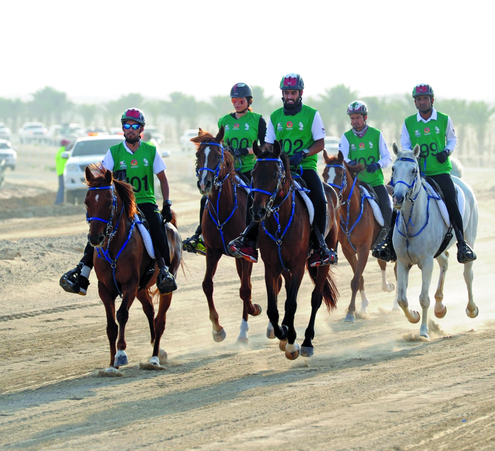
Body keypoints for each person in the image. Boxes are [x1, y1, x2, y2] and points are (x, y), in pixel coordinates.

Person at [60, 108, 177, 296]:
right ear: (123, 128)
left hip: (145, 202)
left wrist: (167, 204)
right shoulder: (114, 152)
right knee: (98, 230)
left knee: (157, 229)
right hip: (122, 204)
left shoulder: (151, 151)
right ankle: (82, 274)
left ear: (141, 129)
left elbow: (163, 179)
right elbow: (101, 179)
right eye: (127, 126)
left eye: (134, 126)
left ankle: (164, 272)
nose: (130, 129)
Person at [228, 73, 338, 267]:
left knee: (320, 200)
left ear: (300, 93)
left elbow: (320, 143)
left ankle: (319, 247)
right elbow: (269, 144)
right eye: (286, 92)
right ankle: (249, 240)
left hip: (304, 168)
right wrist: (265, 155)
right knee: (255, 192)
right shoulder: (276, 116)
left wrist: (303, 153)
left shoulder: (312, 114)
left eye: (293, 92)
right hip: (279, 168)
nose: (289, 96)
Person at [373, 83, 476, 264]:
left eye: (425, 98)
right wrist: (411, 157)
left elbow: (452, 139)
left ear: (432, 100)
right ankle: (389, 241)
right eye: (419, 99)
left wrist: (447, 151)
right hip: (417, 172)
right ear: (415, 102)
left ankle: (461, 243)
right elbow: (405, 145)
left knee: (451, 199)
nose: (422, 102)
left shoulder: (444, 119)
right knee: (398, 199)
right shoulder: (409, 122)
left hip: (439, 171)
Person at [182, 83, 267, 255]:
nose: (237, 103)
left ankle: (255, 237)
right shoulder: (224, 121)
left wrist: (245, 150)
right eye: (234, 100)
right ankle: (202, 238)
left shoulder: (258, 120)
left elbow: (265, 147)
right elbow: (217, 148)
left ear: (249, 101)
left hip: (249, 170)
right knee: (206, 199)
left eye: (240, 100)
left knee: (254, 198)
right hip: (228, 171)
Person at [338, 100, 393, 248]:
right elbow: (341, 158)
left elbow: (388, 157)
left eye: (357, 117)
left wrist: (378, 164)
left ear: (365, 118)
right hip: (355, 185)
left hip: (375, 183)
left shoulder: (376, 134)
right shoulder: (346, 137)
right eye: (352, 118)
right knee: (336, 207)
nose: (354, 121)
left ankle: (389, 243)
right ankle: (333, 247)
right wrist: (351, 164)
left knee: (387, 209)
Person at [55, 139, 70, 204]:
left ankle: (59, 201)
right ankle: (59, 202)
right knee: (62, 188)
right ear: (65, 144)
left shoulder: (60, 151)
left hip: (60, 172)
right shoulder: (64, 151)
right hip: (63, 172)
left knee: (61, 187)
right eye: (67, 144)